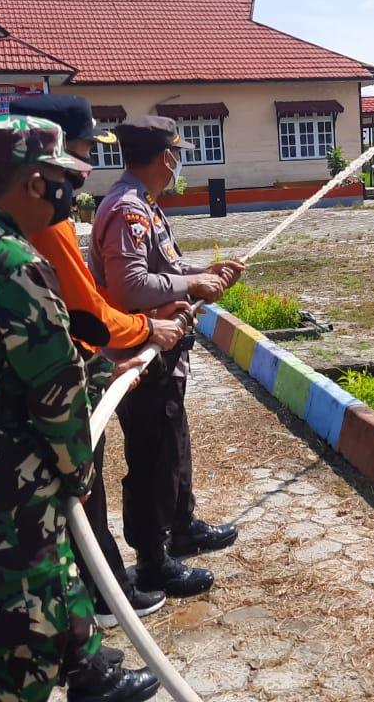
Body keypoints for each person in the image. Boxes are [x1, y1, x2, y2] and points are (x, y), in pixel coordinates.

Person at [0, 115, 160, 702]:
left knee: (49, 576)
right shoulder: (10, 262)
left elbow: (4, 358)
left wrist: (106, 370)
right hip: (3, 473)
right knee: (25, 630)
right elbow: (52, 390)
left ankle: (88, 671)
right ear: (33, 183)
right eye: (63, 181)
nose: (69, 194)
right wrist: (77, 469)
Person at [11, 94, 192, 628]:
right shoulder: (45, 224)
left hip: (66, 374)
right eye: (82, 151)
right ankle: (102, 596)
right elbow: (91, 304)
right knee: (79, 496)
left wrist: (96, 361)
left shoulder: (16, 222)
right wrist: (142, 331)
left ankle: (96, 597)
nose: (85, 168)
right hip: (46, 398)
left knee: (78, 496)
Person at [90, 117, 244, 598]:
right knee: (152, 455)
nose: (179, 163)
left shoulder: (145, 207)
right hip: (141, 351)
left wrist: (205, 274)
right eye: (177, 154)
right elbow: (129, 286)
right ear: (165, 157)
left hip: (164, 348)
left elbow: (167, 270)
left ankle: (182, 525)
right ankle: (154, 559)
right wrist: (191, 284)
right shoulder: (127, 211)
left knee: (173, 441)